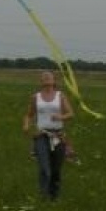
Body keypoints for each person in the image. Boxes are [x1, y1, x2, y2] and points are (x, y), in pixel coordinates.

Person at [23, 70, 74, 200]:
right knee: (45, 168)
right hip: (41, 136)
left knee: (56, 170)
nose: (46, 78)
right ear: (40, 81)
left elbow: (70, 114)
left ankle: (54, 197)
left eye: (49, 76)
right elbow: (29, 115)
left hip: (58, 136)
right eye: (43, 77)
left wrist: (60, 116)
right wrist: (26, 125)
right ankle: (44, 196)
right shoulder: (36, 97)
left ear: (54, 80)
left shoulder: (60, 96)